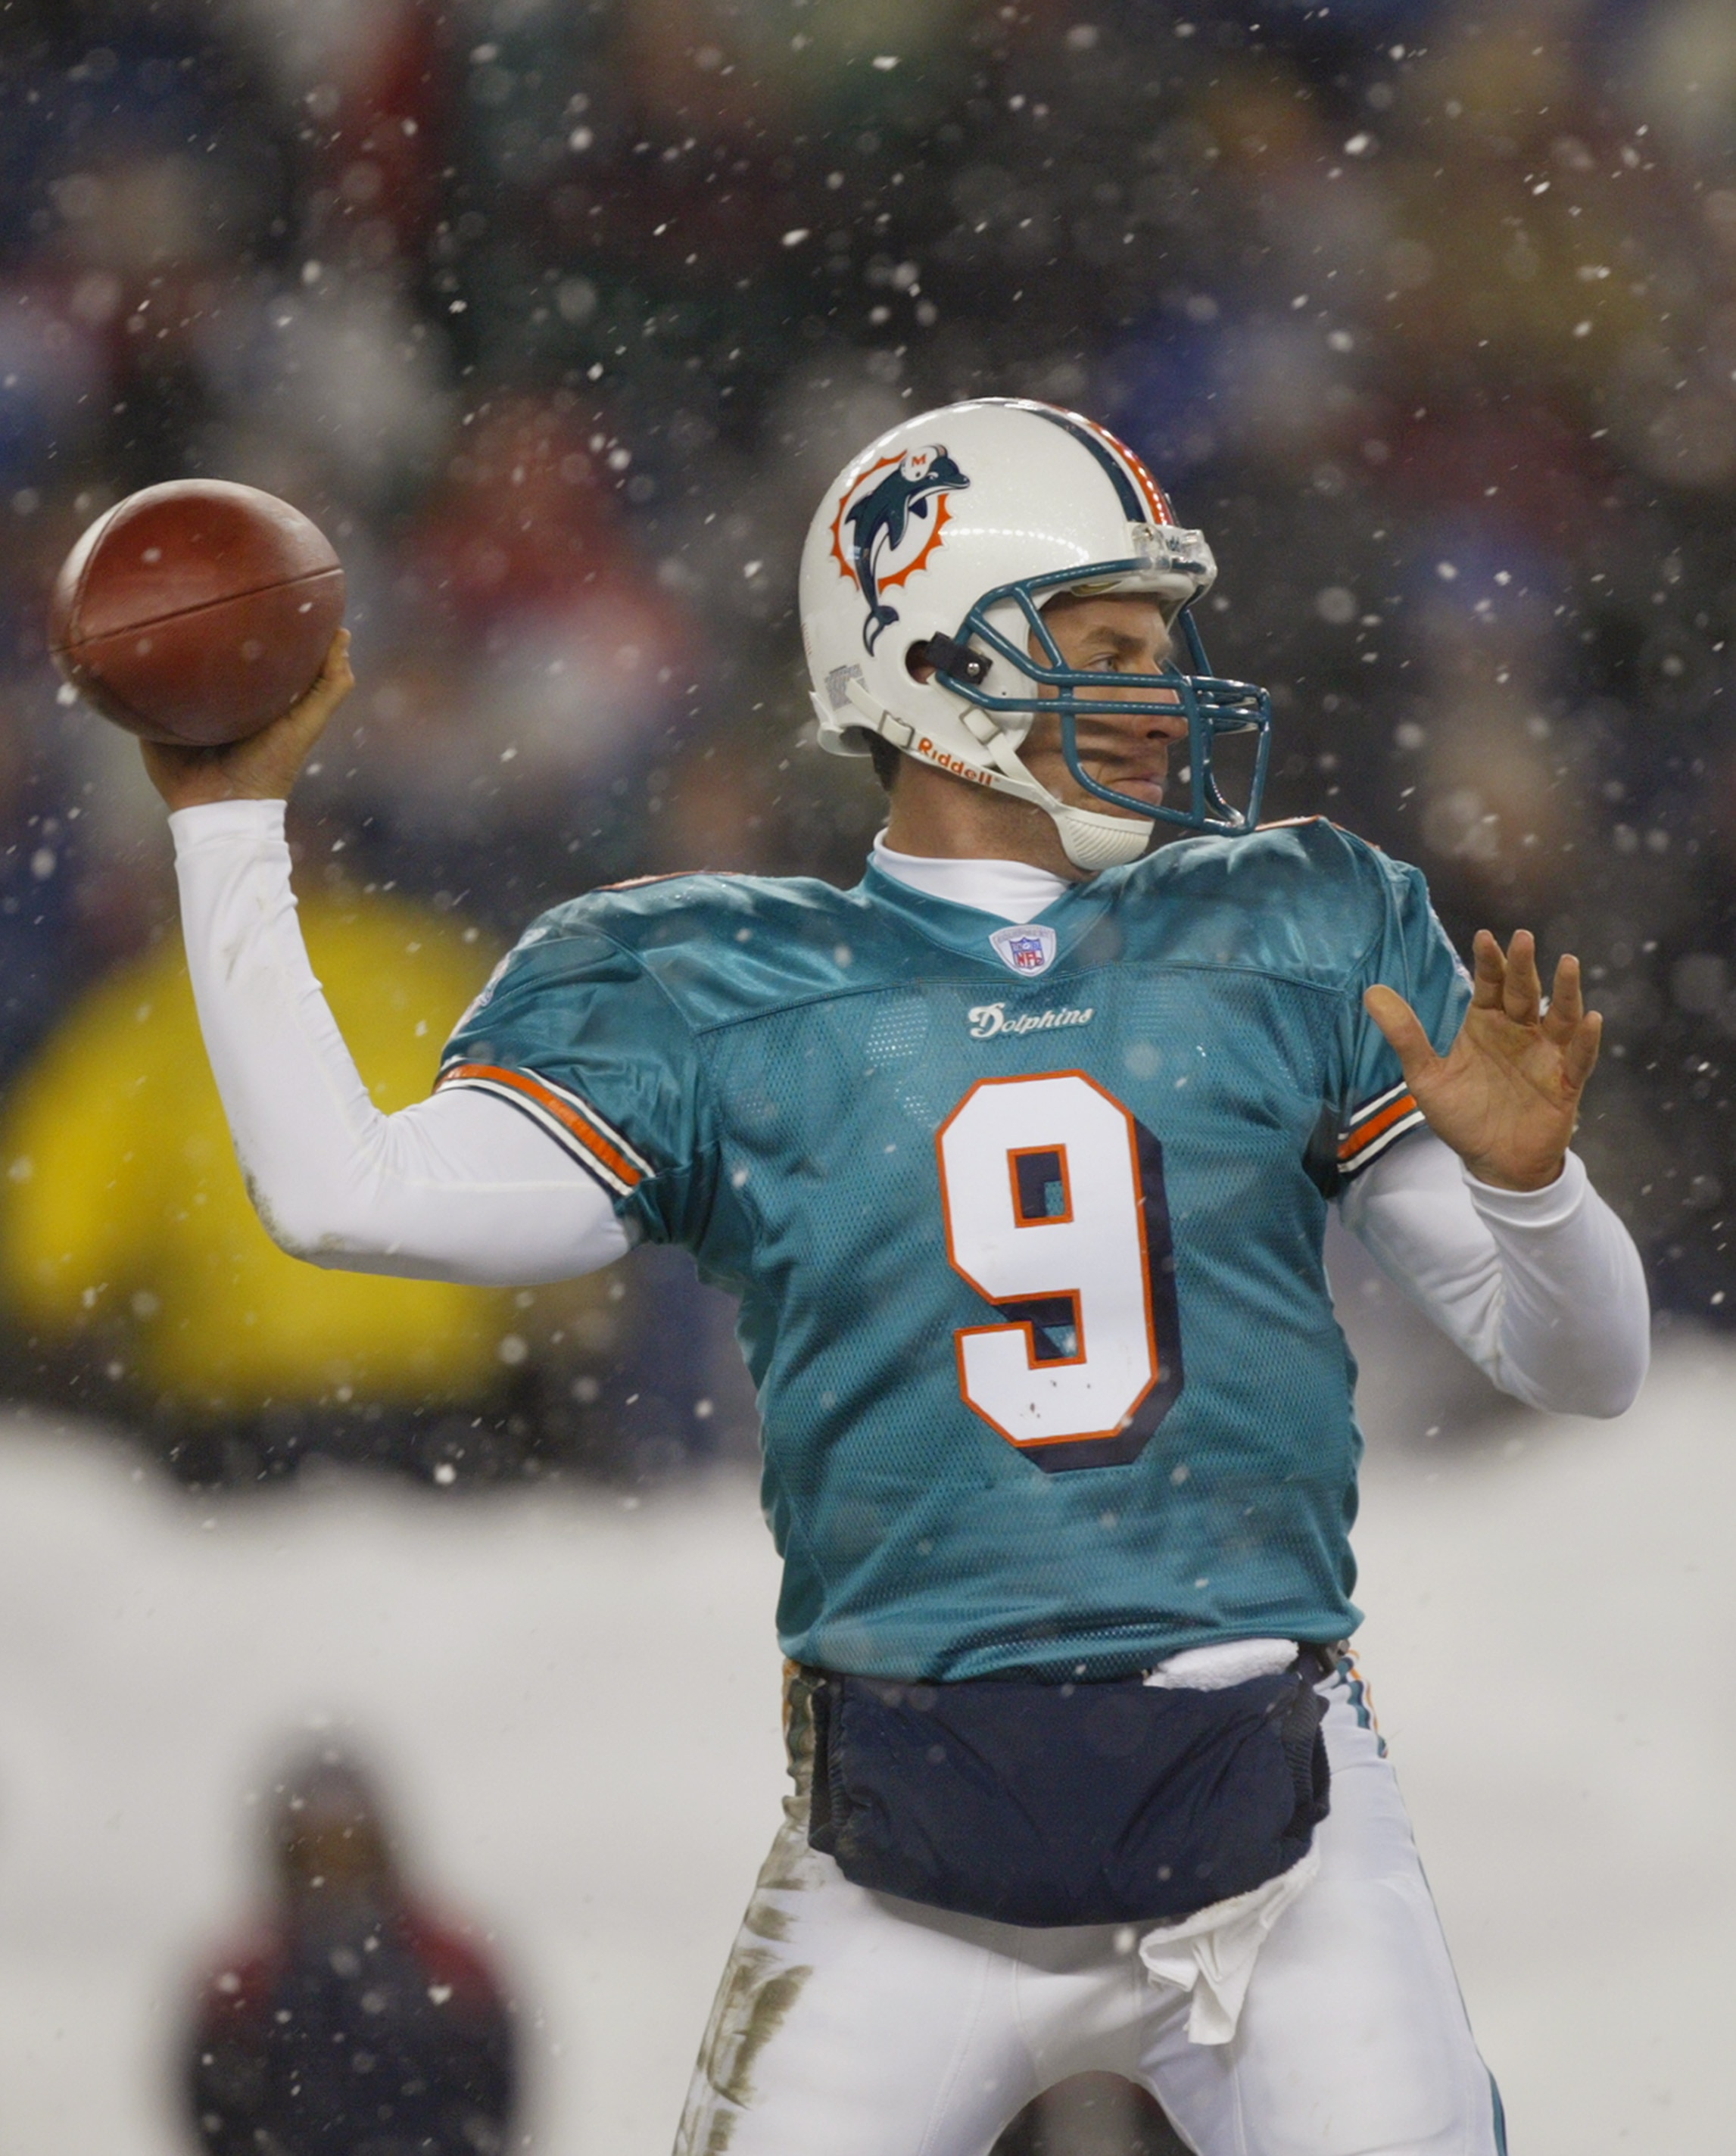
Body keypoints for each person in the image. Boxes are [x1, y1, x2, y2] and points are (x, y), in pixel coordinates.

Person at [147, 400, 1648, 2156]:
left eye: (1158, 647)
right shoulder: (714, 986)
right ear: (930, 663)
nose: (1159, 691)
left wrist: (1532, 1185)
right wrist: (227, 822)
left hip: (1276, 1819)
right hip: (901, 1841)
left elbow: (1587, 1361)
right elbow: (344, 1195)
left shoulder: (1292, 926)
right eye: (1102, 647)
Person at [185, 1751, 516, 2156]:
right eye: (320, 1846)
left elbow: (494, 2087)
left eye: (349, 1845)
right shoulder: (251, 1972)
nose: (335, 1863)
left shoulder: (447, 1959)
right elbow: (214, 2103)